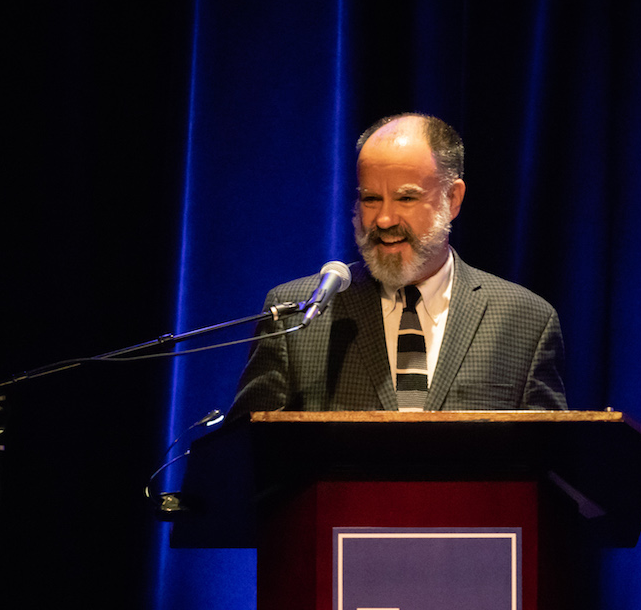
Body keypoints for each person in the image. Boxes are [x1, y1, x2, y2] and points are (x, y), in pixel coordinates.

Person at [228, 113, 566, 416]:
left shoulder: (526, 321)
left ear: (452, 199)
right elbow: (247, 453)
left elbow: (549, 458)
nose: (384, 219)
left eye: (406, 198)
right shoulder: (298, 315)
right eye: (371, 198)